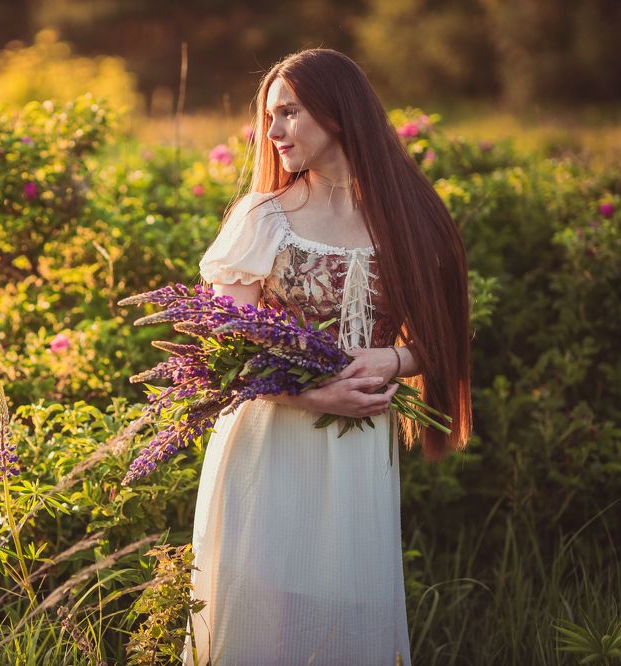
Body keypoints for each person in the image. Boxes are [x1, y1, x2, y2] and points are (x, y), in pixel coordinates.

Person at [182, 49, 472, 665]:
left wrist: (392, 363)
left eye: (289, 112)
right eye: (269, 116)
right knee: (264, 622)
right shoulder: (263, 218)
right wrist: (312, 395)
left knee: (346, 615)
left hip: (357, 451)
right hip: (268, 442)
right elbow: (219, 352)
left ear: (338, 113)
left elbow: (441, 341)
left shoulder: (405, 219)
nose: (273, 130)